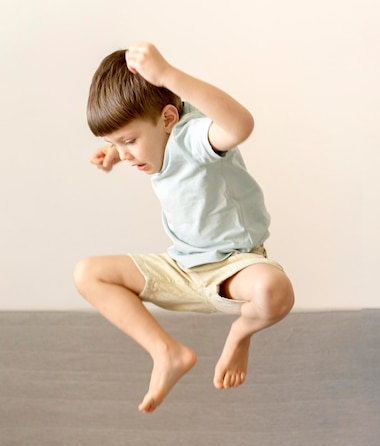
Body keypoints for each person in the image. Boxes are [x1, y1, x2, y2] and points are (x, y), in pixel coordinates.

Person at [74, 42, 294, 413]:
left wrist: (168, 76)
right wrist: (114, 152)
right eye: (115, 142)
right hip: (183, 266)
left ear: (168, 118)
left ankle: (241, 331)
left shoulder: (192, 138)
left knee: (275, 291)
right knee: (87, 274)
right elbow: (135, 138)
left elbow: (241, 125)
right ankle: (167, 352)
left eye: (128, 141)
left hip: (232, 266)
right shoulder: (152, 135)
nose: (126, 154)